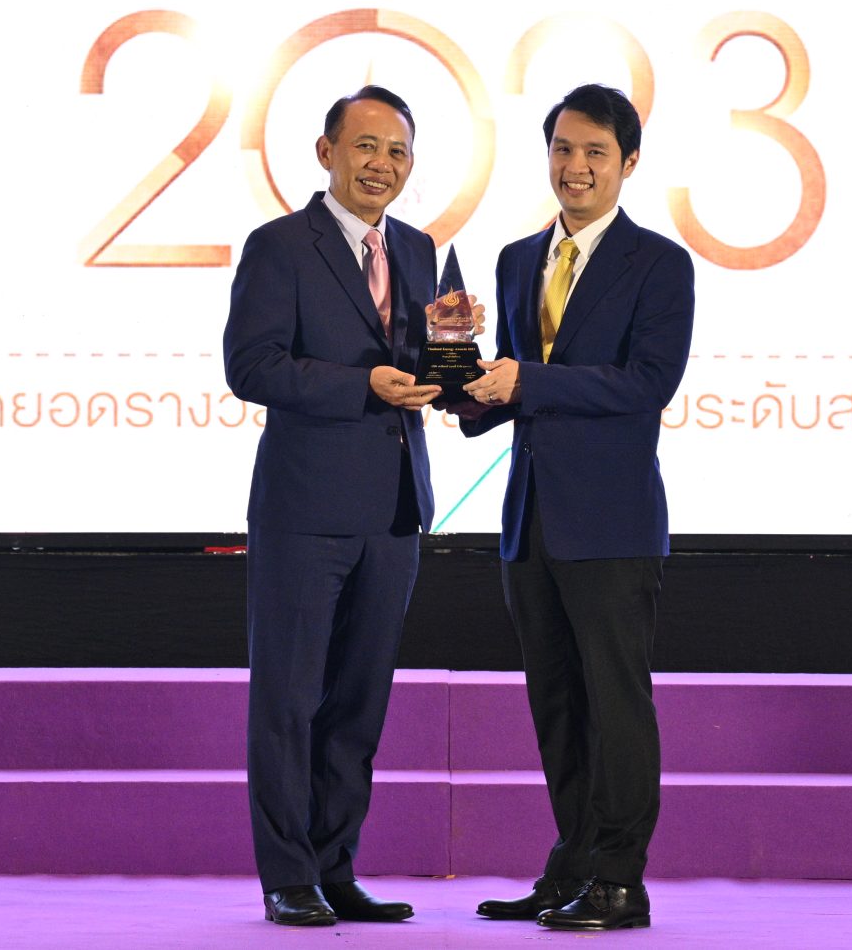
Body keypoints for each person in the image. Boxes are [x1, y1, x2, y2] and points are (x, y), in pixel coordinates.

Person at [223, 84, 471, 927]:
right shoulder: (279, 246)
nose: (382, 164)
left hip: (394, 510)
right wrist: (364, 384)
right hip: (304, 509)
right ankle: (287, 875)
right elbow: (252, 366)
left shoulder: (420, 249)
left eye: (398, 151)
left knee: (358, 706)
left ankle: (335, 868)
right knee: (289, 700)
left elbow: (431, 364)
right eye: (366, 146)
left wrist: (459, 369)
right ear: (326, 152)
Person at [459, 83, 693, 933]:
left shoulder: (659, 263)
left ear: (629, 162)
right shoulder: (517, 258)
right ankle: (573, 864)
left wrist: (525, 379)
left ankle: (620, 879)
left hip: (612, 523)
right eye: (563, 148)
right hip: (530, 521)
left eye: (596, 151)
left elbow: (645, 385)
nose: (576, 166)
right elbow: (508, 389)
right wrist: (455, 379)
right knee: (557, 705)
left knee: (614, 703)